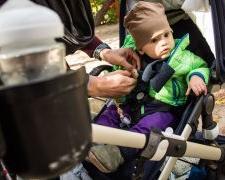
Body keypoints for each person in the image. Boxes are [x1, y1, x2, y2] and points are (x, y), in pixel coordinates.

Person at [0, 0, 141, 179]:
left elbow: (57, 18)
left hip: (28, 46)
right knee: (27, 136)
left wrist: (101, 51)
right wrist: (90, 85)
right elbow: (21, 64)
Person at [87, 1, 210, 173]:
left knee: (150, 129)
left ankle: (116, 153)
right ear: (141, 48)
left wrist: (195, 77)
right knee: (110, 113)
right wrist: (123, 75)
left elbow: (200, 66)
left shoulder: (182, 56)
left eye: (166, 35)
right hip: (131, 104)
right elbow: (118, 76)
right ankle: (94, 142)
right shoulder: (133, 56)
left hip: (163, 110)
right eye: (154, 40)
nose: (164, 42)